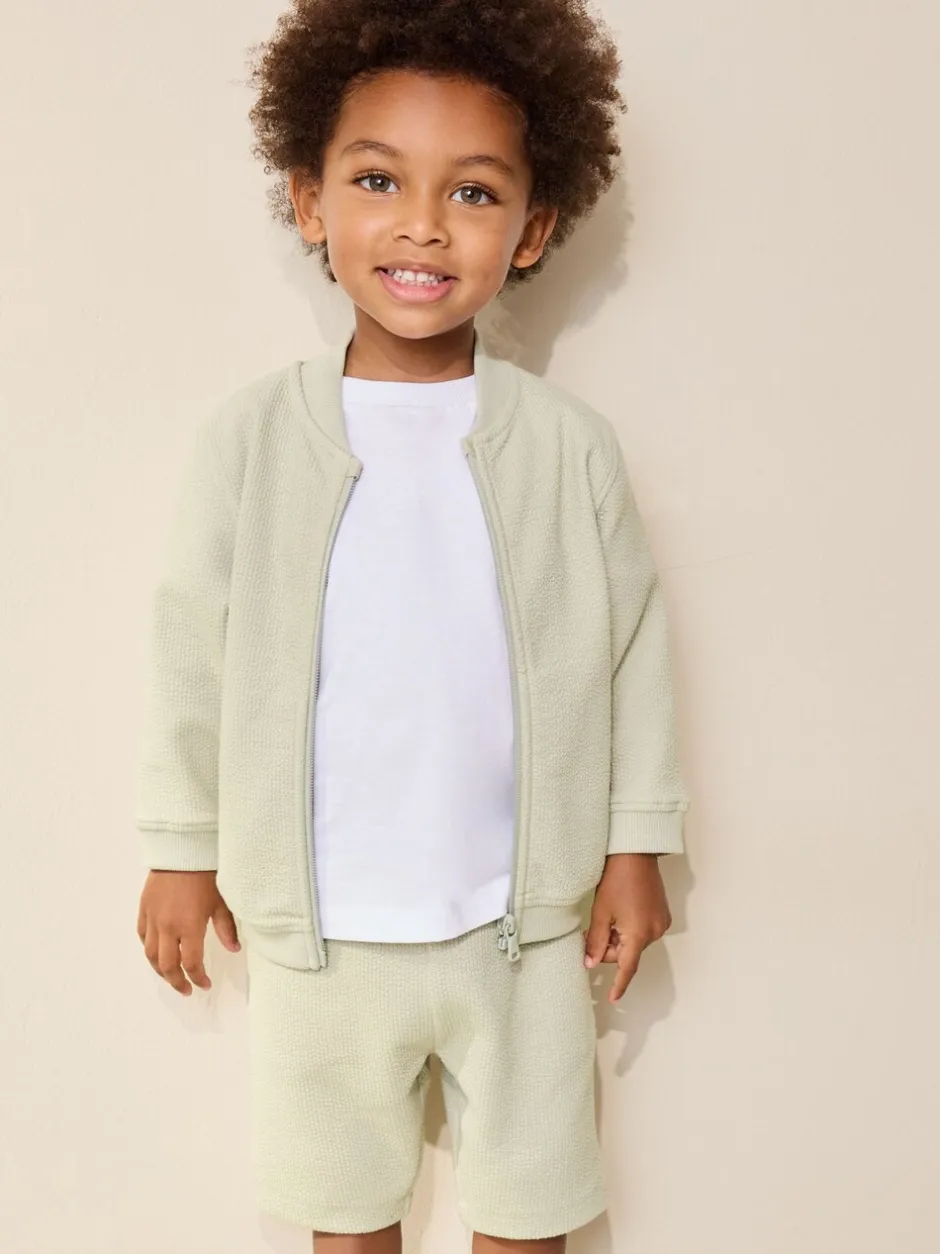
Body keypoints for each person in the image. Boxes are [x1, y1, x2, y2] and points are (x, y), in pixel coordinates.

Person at [135, 1, 691, 1250]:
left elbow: (631, 649)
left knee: (533, 1210)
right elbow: (190, 653)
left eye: (474, 193)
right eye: (377, 179)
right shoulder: (249, 443)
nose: (423, 224)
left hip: (522, 928)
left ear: (533, 228)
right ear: (309, 201)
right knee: (344, 1214)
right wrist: (180, 845)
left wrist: (635, 841)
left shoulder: (566, 447)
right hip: (320, 936)